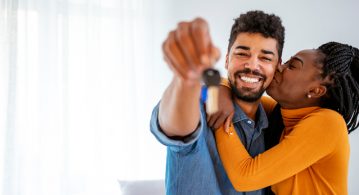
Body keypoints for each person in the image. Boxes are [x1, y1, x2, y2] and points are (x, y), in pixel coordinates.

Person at [150, 10, 285, 194]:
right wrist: (186, 78)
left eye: (265, 58)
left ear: (277, 67)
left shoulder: (277, 127)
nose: (253, 65)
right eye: (242, 53)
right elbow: (174, 127)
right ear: (227, 59)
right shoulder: (204, 103)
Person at [214, 42, 359, 195]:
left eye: (292, 66)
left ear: (316, 91)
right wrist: (222, 90)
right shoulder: (283, 114)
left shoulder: (329, 123)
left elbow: (244, 178)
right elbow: (235, 94)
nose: (278, 66)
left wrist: (219, 116)